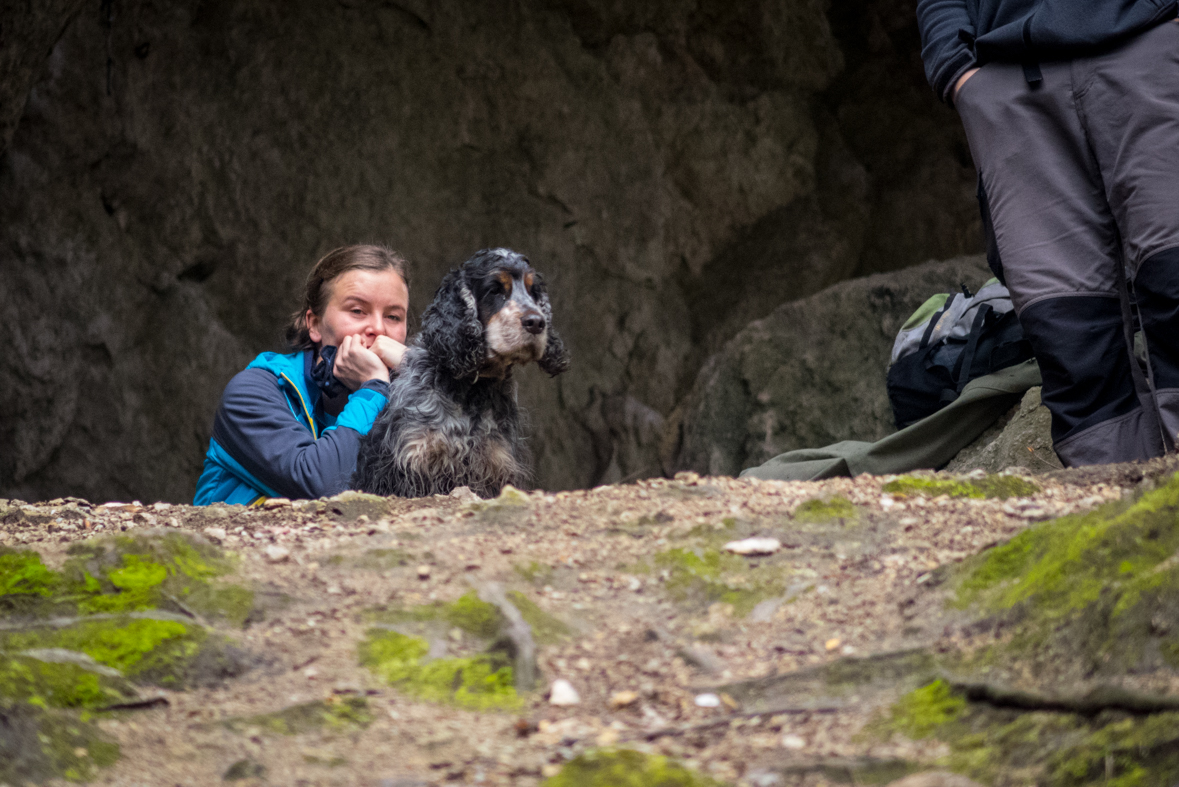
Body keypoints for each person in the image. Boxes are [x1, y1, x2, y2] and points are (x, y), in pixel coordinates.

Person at [917, 1, 1179, 466]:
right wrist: (955, 67)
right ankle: (1114, 519)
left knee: (1175, 276)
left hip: (1149, 43)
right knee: (1070, 338)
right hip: (1009, 83)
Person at [194, 245, 410, 505]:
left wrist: (414, 370)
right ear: (315, 324)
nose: (378, 328)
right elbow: (324, 487)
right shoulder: (251, 393)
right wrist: (373, 388)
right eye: (357, 311)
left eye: (393, 316)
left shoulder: (409, 403)